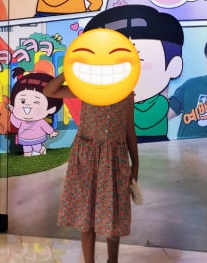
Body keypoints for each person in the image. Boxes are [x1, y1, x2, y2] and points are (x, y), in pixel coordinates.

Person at [43, 73, 138, 263]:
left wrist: (135, 163)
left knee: (113, 213)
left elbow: (129, 130)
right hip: (87, 158)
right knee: (86, 214)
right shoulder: (86, 88)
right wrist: (68, 71)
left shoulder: (126, 93)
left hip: (115, 160)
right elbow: (49, 91)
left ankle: (112, 260)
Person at [84, 4, 184, 141]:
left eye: (138, 61)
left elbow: (143, 121)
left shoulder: (160, 102)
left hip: (153, 141)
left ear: (173, 66)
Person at [7, 72, 62, 156]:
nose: (27, 105)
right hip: (24, 137)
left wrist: (51, 132)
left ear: (50, 109)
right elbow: (16, 123)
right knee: (27, 149)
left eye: (36, 102)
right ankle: (27, 155)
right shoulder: (22, 120)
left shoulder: (39, 121)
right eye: (22, 101)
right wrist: (12, 112)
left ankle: (41, 149)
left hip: (37, 137)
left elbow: (45, 126)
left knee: (37, 147)